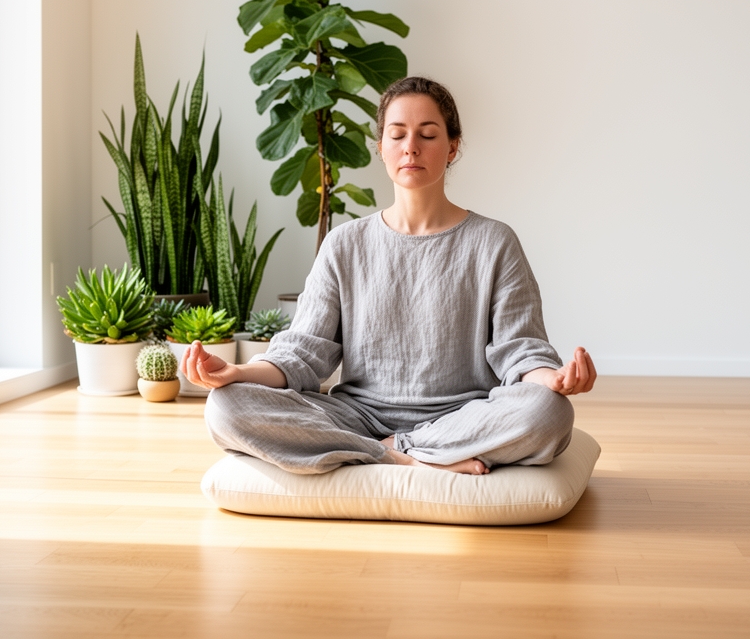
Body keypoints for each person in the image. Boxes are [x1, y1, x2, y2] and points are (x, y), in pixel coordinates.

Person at [181, 76, 596, 476]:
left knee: (550, 412)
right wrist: (237, 374)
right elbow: (302, 355)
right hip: (357, 416)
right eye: (397, 135)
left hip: (463, 417)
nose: (410, 147)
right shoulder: (344, 244)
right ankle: (404, 457)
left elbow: (520, 350)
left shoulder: (494, 242)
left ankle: (395, 450)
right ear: (381, 147)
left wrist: (554, 379)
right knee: (225, 406)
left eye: (428, 134)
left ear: (452, 147)